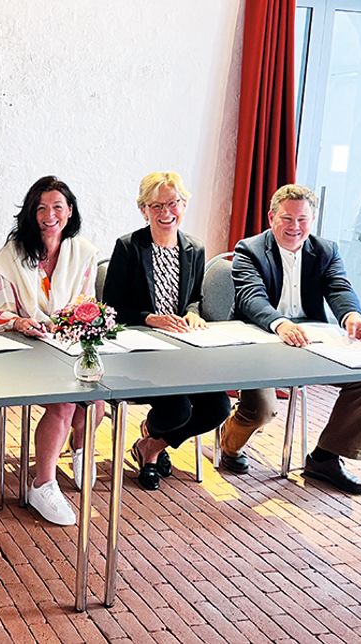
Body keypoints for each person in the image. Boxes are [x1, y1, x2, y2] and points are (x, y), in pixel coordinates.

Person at [221, 184, 361, 494]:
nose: (294, 227)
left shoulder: (326, 250)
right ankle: (228, 444)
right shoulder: (250, 249)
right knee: (260, 410)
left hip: (310, 342)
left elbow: (339, 288)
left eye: (302, 220)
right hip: (260, 340)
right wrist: (280, 324)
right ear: (271, 217)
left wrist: (353, 317)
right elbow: (250, 298)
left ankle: (325, 457)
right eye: (287, 218)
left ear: (313, 220)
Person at [0, 175, 106, 525]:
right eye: (41, 208)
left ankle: (80, 446)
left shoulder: (83, 252)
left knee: (97, 396)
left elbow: (87, 303)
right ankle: (43, 484)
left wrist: (71, 324)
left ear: (69, 211)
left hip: (65, 344)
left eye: (57, 207)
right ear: (31, 213)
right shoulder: (12, 254)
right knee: (66, 399)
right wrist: (22, 322)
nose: (49, 215)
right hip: (22, 347)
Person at [103, 171, 231, 491]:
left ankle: (151, 444)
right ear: (143, 209)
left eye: (173, 203)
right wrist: (151, 318)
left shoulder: (195, 249)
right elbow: (111, 307)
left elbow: (193, 299)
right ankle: (149, 456)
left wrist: (191, 313)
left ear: (184, 205)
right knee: (178, 408)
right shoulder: (129, 247)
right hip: (140, 353)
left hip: (183, 351)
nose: (166, 213)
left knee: (218, 407)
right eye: (156, 205)